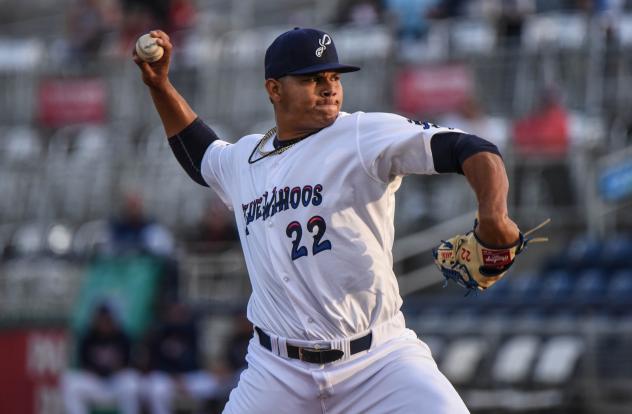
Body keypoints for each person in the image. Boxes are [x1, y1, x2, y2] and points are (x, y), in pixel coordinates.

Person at [134, 27, 520, 413]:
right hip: (276, 370)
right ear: (274, 89)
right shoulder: (245, 157)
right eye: (311, 79)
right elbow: (200, 155)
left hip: (378, 361)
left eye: (334, 77)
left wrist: (494, 215)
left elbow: (472, 148)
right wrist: (160, 86)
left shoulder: (360, 135)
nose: (328, 88)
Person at [139, 301, 220, 414]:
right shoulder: (159, 331)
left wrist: (183, 380)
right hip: (165, 377)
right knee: (156, 388)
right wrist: (174, 378)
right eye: (174, 312)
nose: (177, 315)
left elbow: (195, 362)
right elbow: (154, 362)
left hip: (187, 377)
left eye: (181, 312)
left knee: (211, 384)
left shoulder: (191, 331)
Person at [62, 303, 140, 414]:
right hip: (96, 383)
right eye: (101, 319)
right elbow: (84, 364)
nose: (104, 323)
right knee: (70, 380)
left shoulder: (122, 337)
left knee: (132, 381)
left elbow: (128, 363)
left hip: (116, 383)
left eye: (107, 319)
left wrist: (115, 369)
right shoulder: (88, 337)